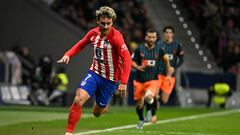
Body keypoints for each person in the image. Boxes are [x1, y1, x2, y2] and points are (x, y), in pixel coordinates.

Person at [57, 6, 132, 135]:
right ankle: (69, 132)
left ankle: (103, 104)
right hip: (94, 73)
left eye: (109, 24)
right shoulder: (93, 34)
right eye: (103, 23)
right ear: (98, 21)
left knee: (97, 113)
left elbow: (128, 59)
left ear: (112, 22)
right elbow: (81, 44)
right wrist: (68, 54)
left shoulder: (117, 38)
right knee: (78, 100)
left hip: (110, 80)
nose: (106, 26)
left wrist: (123, 82)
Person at [132, 29, 172, 129]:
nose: (151, 39)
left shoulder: (159, 50)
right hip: (139, 80)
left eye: (153, 37)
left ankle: (149, 111)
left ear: (156, 38)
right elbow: (132, 61)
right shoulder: (139, 49)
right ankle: (141, 119)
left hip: (152, 80)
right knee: (139, 105)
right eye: (149, 37)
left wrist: (168, 74)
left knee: (149, 97)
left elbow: (166, 59)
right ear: (146, 37)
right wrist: (138, 67)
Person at [145, 25, 184, 123]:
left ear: (173, 34)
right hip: (158, 73)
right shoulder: (159, 44)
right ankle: (150, 113)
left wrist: (174, 68)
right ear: (164, 34)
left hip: (169, 76)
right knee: (154, 95)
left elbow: (182, 59)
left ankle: (155, 103)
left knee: (164, 99)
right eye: (166, 32)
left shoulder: (177, 45)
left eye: (170, 32)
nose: (168, 34)